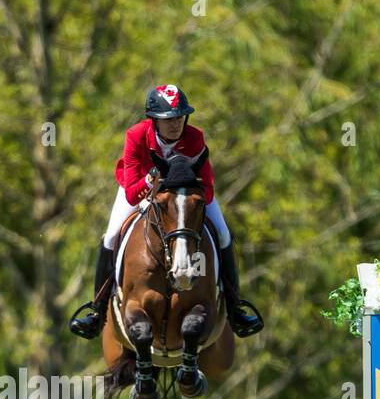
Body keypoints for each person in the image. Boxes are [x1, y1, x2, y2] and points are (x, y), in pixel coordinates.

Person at [68, 84, 263, 340]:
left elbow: (208, 189)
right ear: (154, 121)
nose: (175, 125)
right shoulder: (136, 135)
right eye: (168, 120)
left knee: (224, 234)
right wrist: (152, 182)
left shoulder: (195, 137)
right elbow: (131, 193)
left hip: (183, 196)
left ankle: (236, 307)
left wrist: (186, 187)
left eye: (180, 118)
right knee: (112, 235)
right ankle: (97, 309)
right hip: (138, 188)